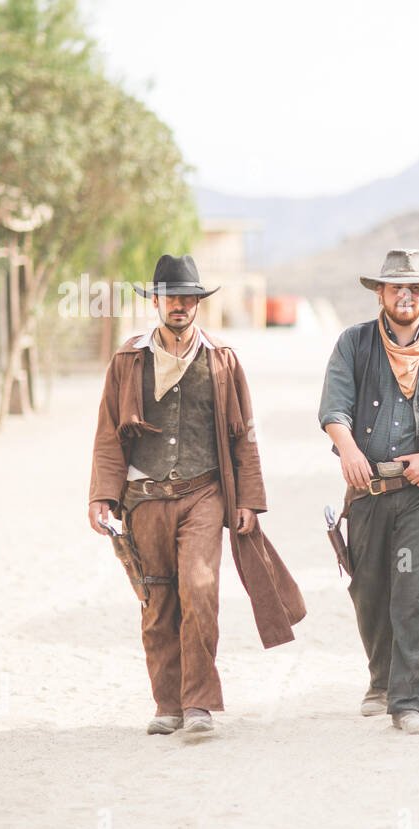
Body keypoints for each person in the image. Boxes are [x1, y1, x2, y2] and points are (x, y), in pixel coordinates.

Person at [88, 253, 304, 736]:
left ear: (198, 304)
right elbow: (108, 435)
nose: (180, 305)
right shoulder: (128, 359)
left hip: (203, 493)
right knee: (157, 601)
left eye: (188, 297)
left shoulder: (222, 359)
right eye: (171, 297)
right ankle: (168, 705)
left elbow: (244, 435)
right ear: (157, 303)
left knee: (200, 590)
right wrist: (102, 495)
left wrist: (247, 499)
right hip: (143, 497)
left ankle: (199, 704)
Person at [318, 249, 419, 735]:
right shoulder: (353, 344)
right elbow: (334, 408)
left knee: (413, 592)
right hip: (367, 486)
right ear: (381, 294)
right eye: (396, 288)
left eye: (414, 287)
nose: (405, 295)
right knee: (368, 588)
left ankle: (408, 701)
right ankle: (381, 679)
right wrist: (348, 452)